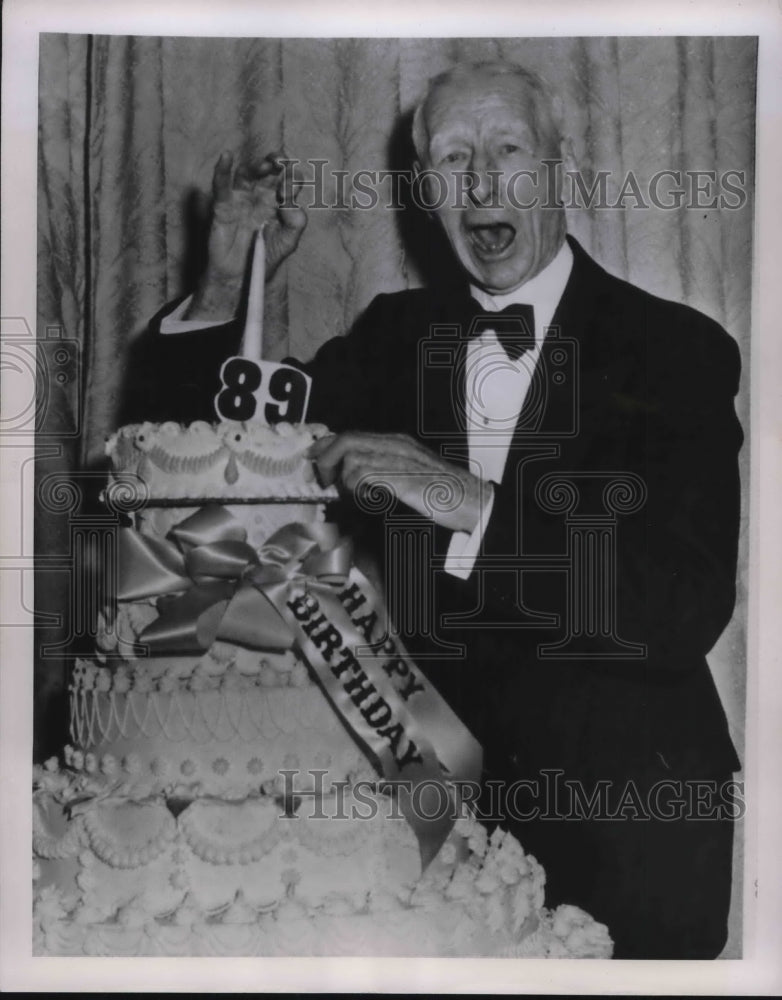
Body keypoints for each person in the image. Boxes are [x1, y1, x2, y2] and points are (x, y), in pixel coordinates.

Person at [121, 61, 743, 959]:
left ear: (559, 166)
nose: (482, 183)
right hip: (428, 846)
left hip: (630, 836)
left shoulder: (677, 351)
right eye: (454, 159)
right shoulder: (391, 337)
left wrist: (462, 500)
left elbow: (680, 605)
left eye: (507, 151)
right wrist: (225, 286)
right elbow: (217, 466)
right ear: (426, 191)